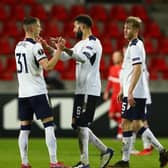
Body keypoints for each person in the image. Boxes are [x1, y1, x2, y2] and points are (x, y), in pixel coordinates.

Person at [44, 14, 114, 168]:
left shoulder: (94, 43)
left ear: (83, 26)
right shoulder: (80, 43)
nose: (74, 29)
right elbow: (63, 57)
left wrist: (65, 49)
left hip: (90, 89)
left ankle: (85, 162)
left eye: (75, 26)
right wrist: (52, 49)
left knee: (82, 125)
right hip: (80, 90)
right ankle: (105, 151)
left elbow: (82, 58)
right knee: (78, 125)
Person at [109, 16, 168, 168]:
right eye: (124, 28)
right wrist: (123, 88)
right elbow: (129, 70)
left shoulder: (135, 45)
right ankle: (162, 151)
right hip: (135, 91)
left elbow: (137, 69)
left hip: (135, 92)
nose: (125, 30)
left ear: (135, 30)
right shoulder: (134, 44)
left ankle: (125, 161)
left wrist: (129, 91)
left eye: (127, 28)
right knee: (136, 125)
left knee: (126, 123)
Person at [15, 17, 66, 168]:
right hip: (37, 91)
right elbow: (48, 66)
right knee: (49, 124)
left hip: (23, 92)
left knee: (24, 128)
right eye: (38, 26)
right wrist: (59, 51)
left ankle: (24, 163)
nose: (40, 28)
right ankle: (53, 161)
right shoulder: (35, 47)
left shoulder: (18, 45)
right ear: (31, 29)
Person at [103, 51, 123, 140]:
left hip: (120, 96)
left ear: (121, 57)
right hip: (113, 96)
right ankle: (122, 126)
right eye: (113, 57)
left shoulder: (123, 68)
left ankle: (120, 134)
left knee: (122, 115)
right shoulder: (112, 68)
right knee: (111, 115)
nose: (114, 58)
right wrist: (106, 92)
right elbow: (110, 82)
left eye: (116, 56)